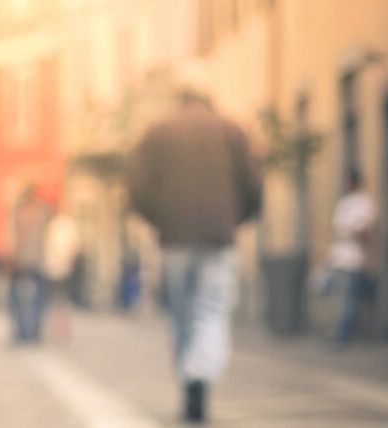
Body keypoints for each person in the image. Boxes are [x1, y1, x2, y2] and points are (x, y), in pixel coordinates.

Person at [126, 88, 261, 423]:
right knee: (211, 309)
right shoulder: (232, 130)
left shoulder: (157, 132)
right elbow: (254, 186)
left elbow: (137, 186)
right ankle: (200, 372)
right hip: (218, 237)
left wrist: (159, 219)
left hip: (173, 238)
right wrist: (235, 218)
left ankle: (189, 382)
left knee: (181, 314)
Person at [327, 168, 375, 347]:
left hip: (353, 260)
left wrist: (348, 233)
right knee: (334, 293)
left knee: (349, 300)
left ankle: (343, 335)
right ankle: (340, 331)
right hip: (338, 258)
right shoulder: (343, 203)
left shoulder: (364, 203)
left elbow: (365, 233)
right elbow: (336, 230)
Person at [9, 186, 51, 345]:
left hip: (25, 261)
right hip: (34, 261)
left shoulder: (19, 213)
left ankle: (25, 330)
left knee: (21, 298)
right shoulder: (42, 212)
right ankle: (30, 331)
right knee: (34, 299)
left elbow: (14, 238)